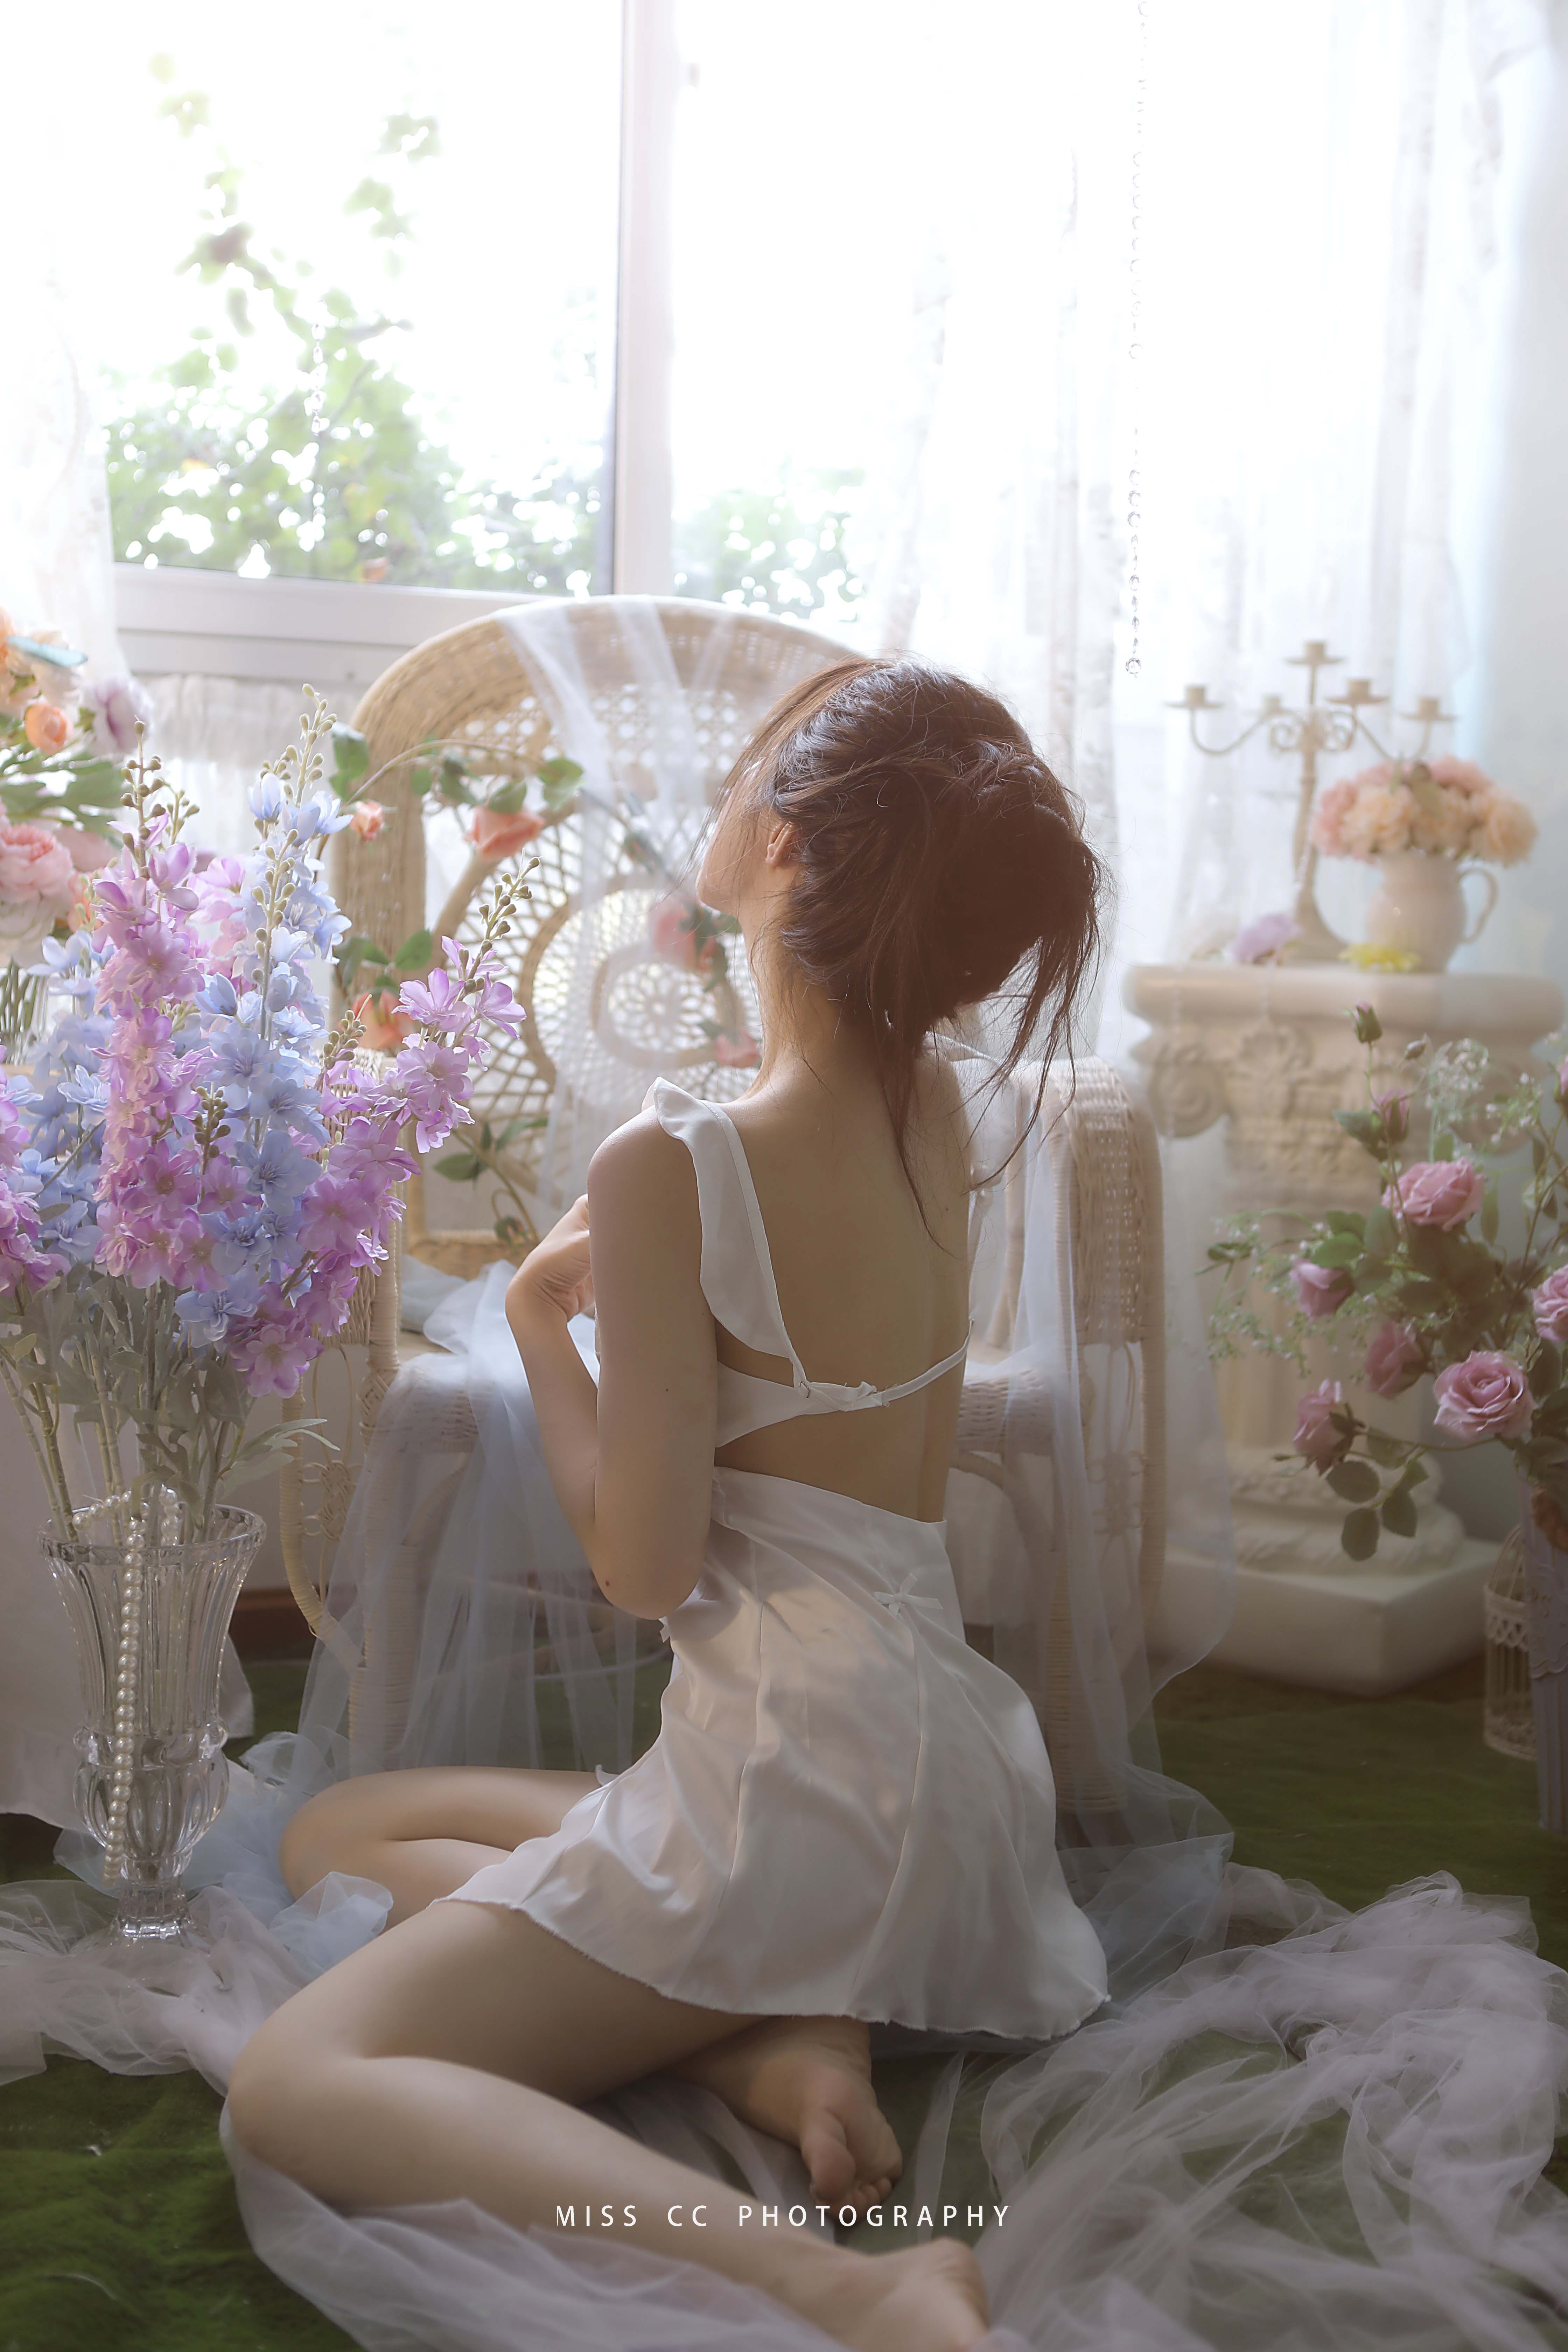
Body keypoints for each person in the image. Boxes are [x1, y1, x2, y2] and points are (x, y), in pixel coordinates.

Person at [227, 656, 1111, 2352]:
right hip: (953, 1781)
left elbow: (644, 1569)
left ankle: (851, 2284)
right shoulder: (933, 1111)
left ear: (783, 844)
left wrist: (542, 1325)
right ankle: (772, 2037)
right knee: (342, 1830)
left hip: (796, 1793)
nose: (723, 796)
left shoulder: (676, 1163)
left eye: (749, 772)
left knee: (295, 2083)